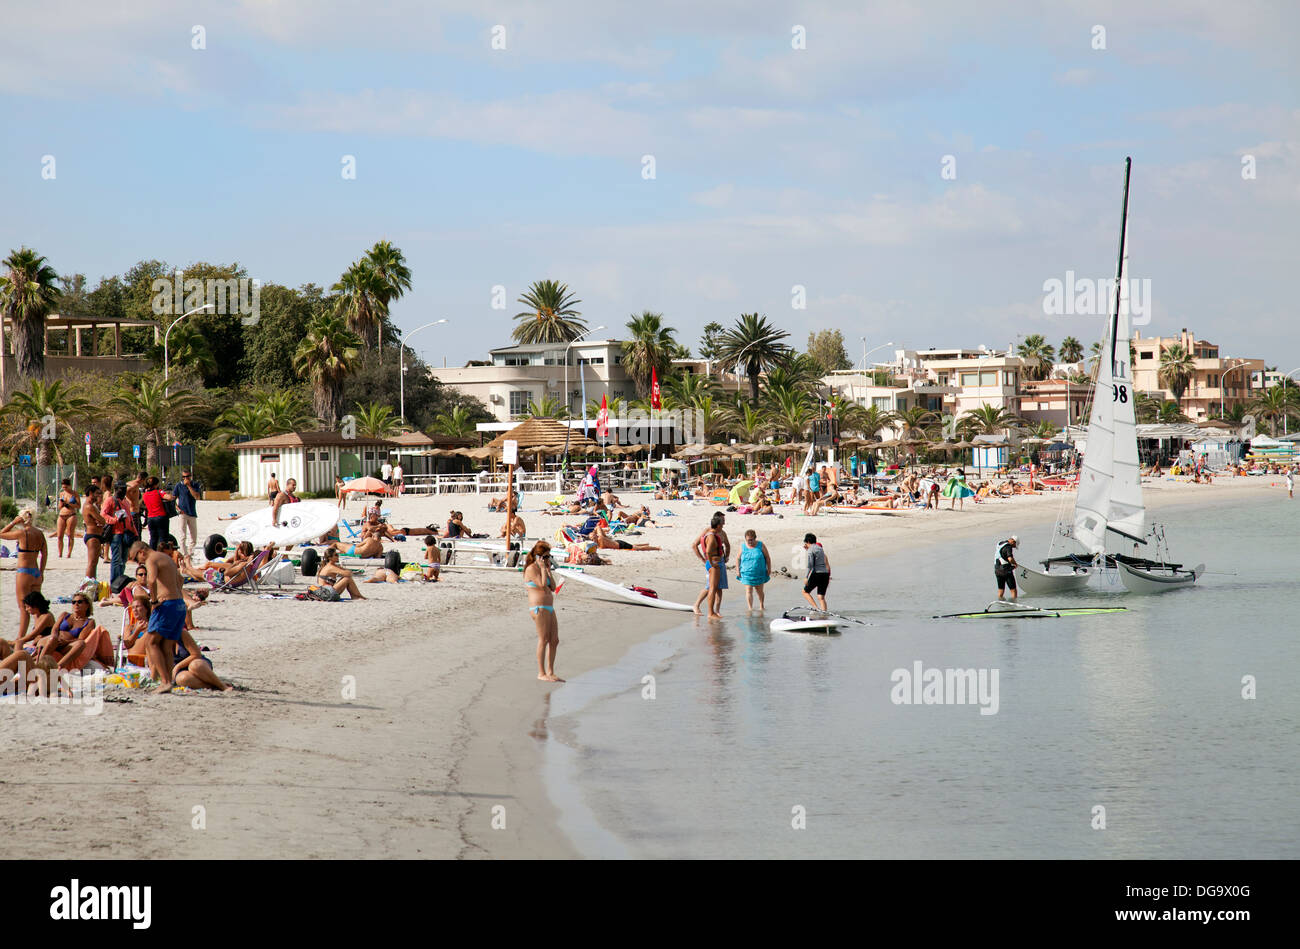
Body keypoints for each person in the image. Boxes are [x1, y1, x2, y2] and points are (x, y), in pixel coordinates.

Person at [129, 539, 188, 693]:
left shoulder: (151, 558)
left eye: (136, 558)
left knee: (151, 643)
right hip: (179, 604)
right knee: (166, 646)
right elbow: (180, 579)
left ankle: (165, 681)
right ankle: (168, 680)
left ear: (142, 551)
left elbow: (151, 580)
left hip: (166, 606)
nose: (138, 562)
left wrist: (154, 601)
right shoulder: (166, 557)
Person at [1, 509, 47, 644]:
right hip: (36, 571)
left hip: (24, 572)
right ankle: (39, 635)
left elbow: (1, 534)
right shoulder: (39, 533)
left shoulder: (22, 533)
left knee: (24, 608)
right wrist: (41, 572)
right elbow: (44, 554)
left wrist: (12, 522)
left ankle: (20, 639)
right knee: (38, 607)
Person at [523, 540, 562, 682]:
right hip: (538, 607)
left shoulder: (544, 568)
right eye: (545, 557)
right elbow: (540, 584)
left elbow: (552, 587)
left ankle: (551, 672)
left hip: (549, 607)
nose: (547, 560)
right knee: (544, 639)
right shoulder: (531, 568)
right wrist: (542, 568)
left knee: (554, 640)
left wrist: (548, 570)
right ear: (538, 556)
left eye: (549, 557)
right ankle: (541, 672)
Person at [693, 512, 730, 618]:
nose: (724, 523)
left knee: (719, 587)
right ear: (717, 522)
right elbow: (696, 545)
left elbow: (727, 544)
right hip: (713, 562)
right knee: (711, 587)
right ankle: (702, 608)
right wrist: (705, 560)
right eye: (722, 521)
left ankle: (716, 611)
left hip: (720, 561)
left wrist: (726, 556)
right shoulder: (709, 533)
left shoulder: (722, 533)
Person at [102, 483, 134, 583]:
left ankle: (120, 580)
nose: (124, 491)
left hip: (125, 532)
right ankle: (114, 581)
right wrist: (114, 520)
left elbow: (130, 519)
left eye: (125, 489)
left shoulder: (125, 502)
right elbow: (103, 514)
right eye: (121, 489)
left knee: (123, 559)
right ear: (115, 489)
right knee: (116, 559)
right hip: (116, 533)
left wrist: (135, 532)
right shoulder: (110, 500)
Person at [735, 529, 772, 611]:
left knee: (759, 591)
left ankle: (761, 606)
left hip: (759, 572)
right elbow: (738, 558)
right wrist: (737, 570)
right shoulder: (743, 546)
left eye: (751, 540)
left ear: (755, 538)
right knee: (748, 591)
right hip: (746, 573)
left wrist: (769, 568)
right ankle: (750, 608)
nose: (750, 542)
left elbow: (767, 558)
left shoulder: (760, 545)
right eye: (748, 540)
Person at [173, 469, 202, 561]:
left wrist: (189, 486)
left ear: (191, 476)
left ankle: (190, 553)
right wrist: (178, 509)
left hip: (192, 513)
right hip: (182, 513)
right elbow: (173, 498)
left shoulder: (195, 485)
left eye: (187, 476)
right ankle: (185, 555)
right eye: (184, 477)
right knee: (183, 536)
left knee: (194, 537)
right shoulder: (178, 485)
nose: (186, 478)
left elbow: (197, 497)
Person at [81, 483, 107, 583]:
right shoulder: (89, 506)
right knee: (92, 563)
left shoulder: (91, 506)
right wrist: (101, 521)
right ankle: (89, 583)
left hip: (95, 535)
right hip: (92, 536)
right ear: (91, 493)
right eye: (97, 493)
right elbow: (102, 521)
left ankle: (92, 581)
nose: (99, 495)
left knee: (94, 562)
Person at [141, 476, 174, 550]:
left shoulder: (145, 495)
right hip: (161, 517)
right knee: (163, 538)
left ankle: (152, 554)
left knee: (153, 538)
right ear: (155, 485)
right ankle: (161, 555)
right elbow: (169, 497)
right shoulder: (159, 492)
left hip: (150, 518)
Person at [802, 533, 831, 611]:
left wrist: (806, 577)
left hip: (817, 574)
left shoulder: (810, 550)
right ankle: (824, 614)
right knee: (821, 597)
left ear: (808, 541)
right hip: (825, 574)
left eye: (805, 543)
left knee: (805, 592)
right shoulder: (820, 548)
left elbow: (810, 565)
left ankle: (816, 609)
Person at [54, 478, 79, 558]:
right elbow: (59, 507)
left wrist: (69, 504)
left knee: (70, 535)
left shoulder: (74, 494)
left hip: (71, 514)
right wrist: (62, 503)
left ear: (70, 486)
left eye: (66, 487)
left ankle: (69, 553)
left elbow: (78, 506)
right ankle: (60, 553)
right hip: (62, 515)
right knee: (59, 535)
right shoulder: (62, 494)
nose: (65, 489)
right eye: (63, 487)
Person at [995, 535, 1019, 602]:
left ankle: (1001, 605)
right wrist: (1015, 564)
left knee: (1000, 590)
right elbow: (1010, 559)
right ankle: (1014, 606)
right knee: (1013, 590)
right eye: (1014, 545)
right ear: (1013, 541)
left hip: (997, 570)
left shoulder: (1000, 543)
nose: (1013, 547)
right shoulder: (1008, 547)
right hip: (1006, 571)